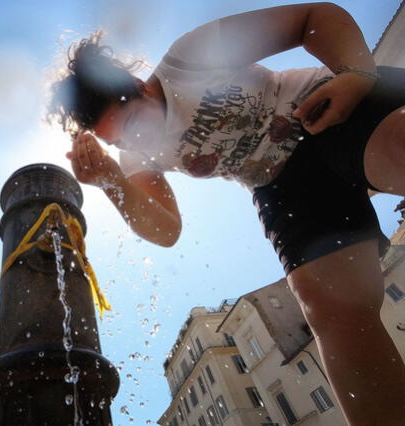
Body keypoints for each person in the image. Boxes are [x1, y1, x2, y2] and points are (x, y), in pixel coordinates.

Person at [47, 2, 405, 425]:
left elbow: (315, 19)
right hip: (280, 183)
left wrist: (355, 74)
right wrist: (111, 180)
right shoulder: (134, 157)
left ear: (141, 86)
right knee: (329, 307)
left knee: (398, 149)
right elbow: (166, 230)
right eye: (121, 140)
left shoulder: (188, 58)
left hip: (324, 108)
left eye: (135, 124)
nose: (137, 140)